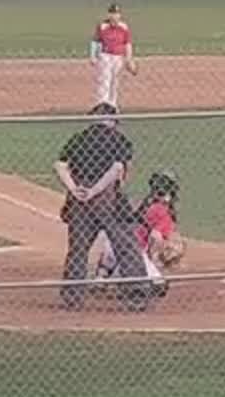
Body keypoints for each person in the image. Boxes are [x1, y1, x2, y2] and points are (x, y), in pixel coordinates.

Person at [55, 104, 153, 310]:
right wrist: (96, 190)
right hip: (107, 198)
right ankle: (136, 295)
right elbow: (117, 168)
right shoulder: (118, 139)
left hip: (79, 200)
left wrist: (75, 189)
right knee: (126, 245)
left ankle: (73, 297)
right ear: (113, 120)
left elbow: (60, 165)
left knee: (78, 248)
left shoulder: (79, 138)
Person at [96, 171, 183, 297]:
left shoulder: (144, 204)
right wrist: (153, 259)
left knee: (117, 245)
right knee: (160, 287)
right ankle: (123, 284)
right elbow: (155, 237)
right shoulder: (164, 212)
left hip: (112, 246)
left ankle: (102, 276)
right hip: (134, 253)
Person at [89, 2, 136, 107]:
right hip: (105, 56)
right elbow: (95, 41)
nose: (115, 16)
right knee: (105, 80)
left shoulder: (124, 27)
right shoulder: (102, 26)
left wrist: (129, 59)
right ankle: (102, 104)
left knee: (115, 82)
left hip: (118, 58)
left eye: (117, 13)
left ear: (120, 15)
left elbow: (127, 43)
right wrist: (93, 56)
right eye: (112, 13)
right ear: (108, 15)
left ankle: (113, 105)